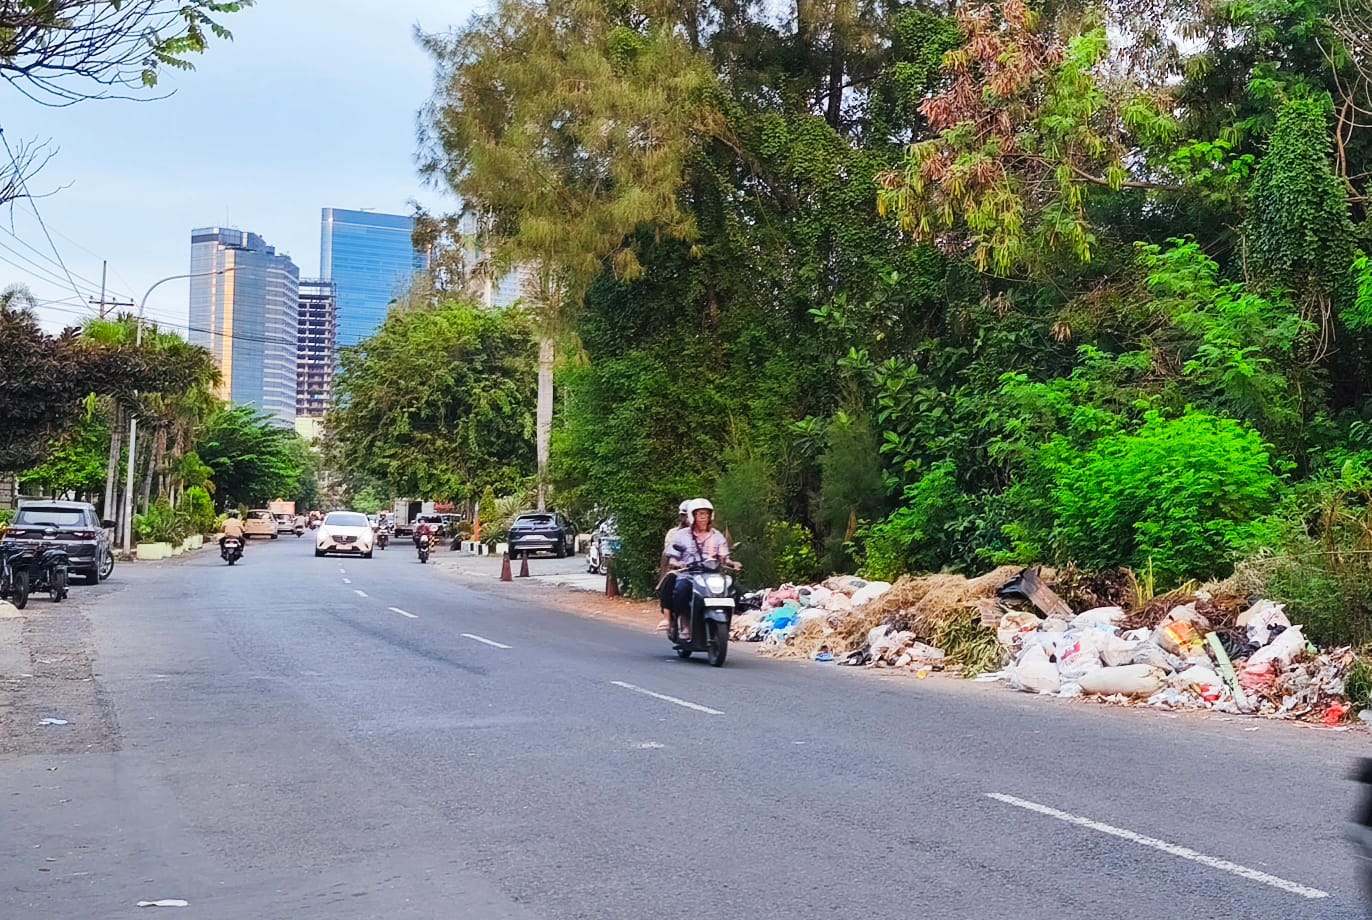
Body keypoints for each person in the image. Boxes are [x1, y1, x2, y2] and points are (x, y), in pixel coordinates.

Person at [668, 498, 731, 642]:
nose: (703, 517)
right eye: (700, 514)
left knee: (734, 590)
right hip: (689, 574)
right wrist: (678, 563)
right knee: (681, 590)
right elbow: (672, 559)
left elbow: (724, 557)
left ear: (711, 516)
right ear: (692, 516)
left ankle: (728, 624)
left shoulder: (717, 536)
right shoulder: (681, 535)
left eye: (706, 514)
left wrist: (731, 562)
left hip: (711, 575)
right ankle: (684, 621)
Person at [656, 501, 691, 631]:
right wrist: (677, 562)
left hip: (703, 571)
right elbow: (669, 552)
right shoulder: (675, 534)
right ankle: (668, 618)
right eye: (685, 516)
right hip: (681, 570)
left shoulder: (708, 533)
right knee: (670, 581)